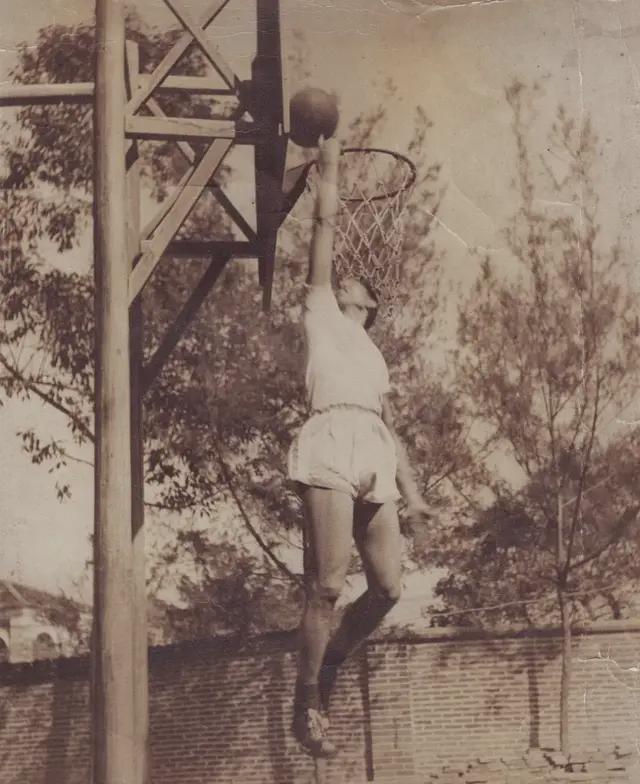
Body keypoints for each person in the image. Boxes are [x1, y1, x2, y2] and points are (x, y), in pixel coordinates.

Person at [288, 137, 430, 757]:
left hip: (372, 449)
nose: (339, 277)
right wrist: (329, 168)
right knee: (326, 585)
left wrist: (413, 494)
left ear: (367, 302)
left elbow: (391, 426)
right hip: (329, 441)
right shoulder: (320, 310)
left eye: (352, 281)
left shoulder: (374, 355)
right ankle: (306, 702)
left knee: (389, 589)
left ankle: (331, 665)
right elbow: (324, 224)